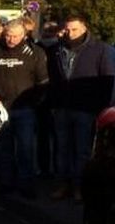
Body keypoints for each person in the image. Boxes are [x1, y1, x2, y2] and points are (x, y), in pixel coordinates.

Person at [47, 16, 115, 201]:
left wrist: (100, 108)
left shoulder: (100, 49)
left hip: (86, 109)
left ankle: (79, 187)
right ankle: (63, 184)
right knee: (61, 149)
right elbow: (52, 80)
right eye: (67, 29)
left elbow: (107, 80)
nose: (70, 33)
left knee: (82, 150)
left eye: (75, 29)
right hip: (62, 108)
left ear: (84, 28)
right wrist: (53, 104)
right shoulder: (57, 49)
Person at [0, 19, 49, 198]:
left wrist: (33, 103)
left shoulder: (35, 53)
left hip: (24, 110)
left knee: (25, 148)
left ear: (24, 35)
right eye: (8, 36)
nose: (11, 39)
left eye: (15, 36)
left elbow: (43, 83)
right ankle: (6, 182)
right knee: (4, 148)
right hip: (0, 109)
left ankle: (26, 184)